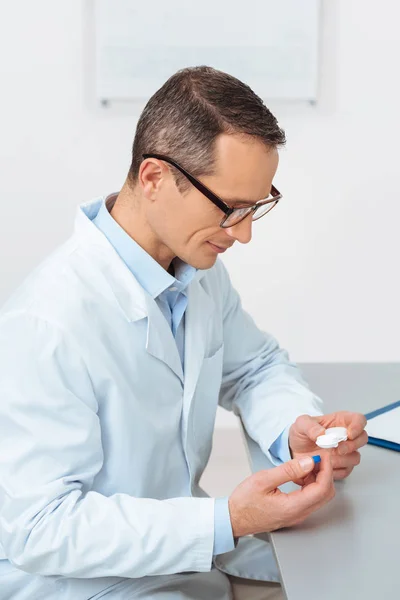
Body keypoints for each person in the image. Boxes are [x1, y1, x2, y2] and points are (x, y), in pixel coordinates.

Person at [0, 66, 367, 600]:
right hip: (78, 582)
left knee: (342, 572)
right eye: (229, 208)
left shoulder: (196, 273)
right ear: (153, 179)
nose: (242, 234)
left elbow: (254, 367)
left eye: (255, 208)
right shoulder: (47, 323)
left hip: (180, 554)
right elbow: (40, 528)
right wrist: (226, 520)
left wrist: (295, 428)